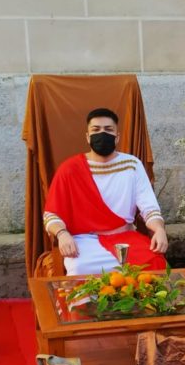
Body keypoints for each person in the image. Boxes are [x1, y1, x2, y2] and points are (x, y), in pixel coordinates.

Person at [43, 108, 168, 275]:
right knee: (80, 268)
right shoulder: (70, 169)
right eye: (96, 130)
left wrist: (159, 229)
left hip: (125, 237)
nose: (102, 134)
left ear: (117, 137)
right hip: (85, 240)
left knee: (155, 261)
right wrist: (62, 233)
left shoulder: (132, 165)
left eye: (108, 130)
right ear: (87, 137)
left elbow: (149, 208)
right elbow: (51, 214)